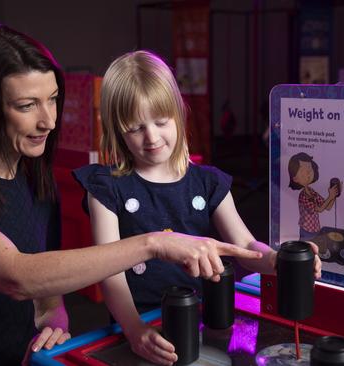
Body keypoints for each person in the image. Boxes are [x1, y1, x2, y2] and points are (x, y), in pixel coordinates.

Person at [0, 25, 261, 366]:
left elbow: (45, 285)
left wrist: (54, 314)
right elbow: (16, 276)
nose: (49, 121)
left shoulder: (35, 181)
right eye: (27, 106)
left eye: (53, 99)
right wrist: (154, 244)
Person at [73, 50, 322, 366]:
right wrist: (135, 330)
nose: (151, 137)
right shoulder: (106, 187)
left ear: (178, 114)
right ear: (117, 130)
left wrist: (278, 260)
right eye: (135, 128)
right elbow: (109, 270)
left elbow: (244, 245)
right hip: (136, 325)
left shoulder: (208, 182)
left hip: (200, 320)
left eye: (161, 122)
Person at [287, 152, 340, 250]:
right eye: (303, 170)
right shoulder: (303, 196)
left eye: (310, 169)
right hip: (306, 231)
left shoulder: (312, 191)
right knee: (304, 250)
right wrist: (330, 196)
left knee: (315, 252)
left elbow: (327, 207)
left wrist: (333, 196)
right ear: (295, 178)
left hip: (316, 230)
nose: (308, 172)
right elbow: (319, 209)